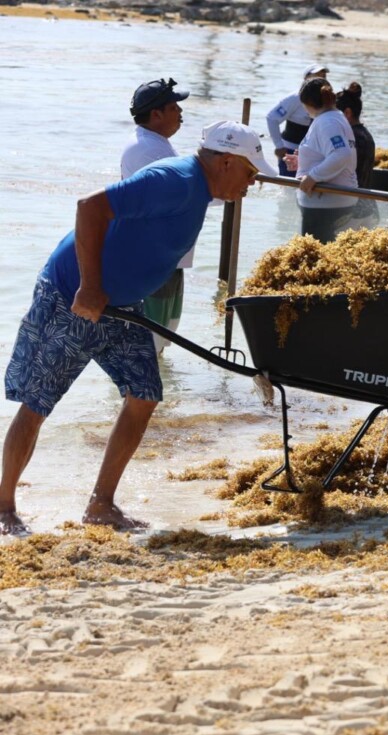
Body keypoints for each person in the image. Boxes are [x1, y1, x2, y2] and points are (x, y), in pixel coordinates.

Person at [0, 121, 271, 536]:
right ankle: (4, 506)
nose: (252, 183)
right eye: (250, 173)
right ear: (226, 161)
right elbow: (90, 207)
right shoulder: (174, 180)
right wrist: (90, 286)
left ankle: (101, 504)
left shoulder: (200, 190)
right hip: (74, 299)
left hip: (122, 309)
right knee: (38, 403)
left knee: (144, 395)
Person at [121, 77, 192, 355]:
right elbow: (183, 194)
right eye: (174, 107)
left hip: (166, 255)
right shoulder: (150, 150)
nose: (180, 112)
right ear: (156, 114)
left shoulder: (156, 144)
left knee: (160, 338)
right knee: (148, 342)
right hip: (153, 257)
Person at [283, 77, 358, 243]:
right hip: (330, 201)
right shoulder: (335, 117)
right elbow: (330, 153)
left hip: (325, 204)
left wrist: (312, 177)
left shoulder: (327, 122)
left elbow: (341, 154)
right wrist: (302, 161)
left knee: (315, 255)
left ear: (308, 103)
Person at [266, 63, 328, 177]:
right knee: (289, 187)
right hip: (290, 151)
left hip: (314, 155)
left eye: (323, 76)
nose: (321, 79)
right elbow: (272, 118)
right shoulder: (296, 98)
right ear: (306, 78)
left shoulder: (326, 100)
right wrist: (279, 146)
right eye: (317, 75)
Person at [336, 81, 379, 229]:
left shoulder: (350, 137)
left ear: (347, 113)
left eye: (335, 115)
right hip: (368, 207)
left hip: (351, 211)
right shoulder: (365, 134)